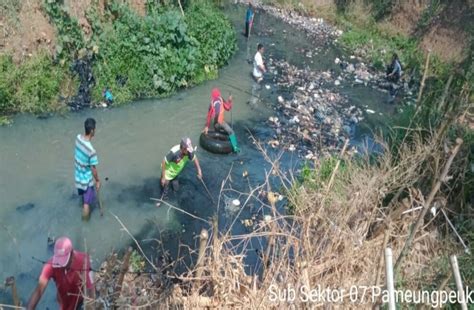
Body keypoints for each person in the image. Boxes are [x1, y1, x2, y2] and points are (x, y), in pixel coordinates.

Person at [27, 237, 95, 310]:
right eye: (59, 262)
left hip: (80, 299)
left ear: (71, 254)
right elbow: (39, 290)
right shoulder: (50, 265)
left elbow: (91, 289)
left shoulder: (83, 261)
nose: (61, 266)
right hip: (63, 301)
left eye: (64, 261)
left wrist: (91, 306)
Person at [157, 137, 203, 207]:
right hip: (167, 174)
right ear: (183, 148)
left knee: (176, 189)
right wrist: (163, 177)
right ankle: (161, 202)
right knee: (164, 192)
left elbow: (195, 158)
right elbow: (164, 162)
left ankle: (175, 202)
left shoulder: (189, 153)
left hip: (175, 173)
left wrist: (199, 170)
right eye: (187, 150)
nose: (189, 152)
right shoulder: (174, 153)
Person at [74, 118, 100, 220]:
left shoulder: (78, 138)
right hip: (86, 180)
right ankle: (85, 223)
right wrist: (97, 181)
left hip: (77, 176)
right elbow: (93, 169)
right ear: (92, 130)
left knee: (83, 197)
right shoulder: (91, 150)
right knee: (86, 204)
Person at [203, 88, 240, 153]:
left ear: (212, 96)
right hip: (221, 122)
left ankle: (217, 149)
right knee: (231, 132)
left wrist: (206, 126)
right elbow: (228, 108)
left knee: (218, 134)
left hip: (215, 124)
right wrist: (230, 101)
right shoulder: (221, 99)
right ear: (219, 94)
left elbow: (208, 116)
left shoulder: (211, 103)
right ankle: (236, 148)